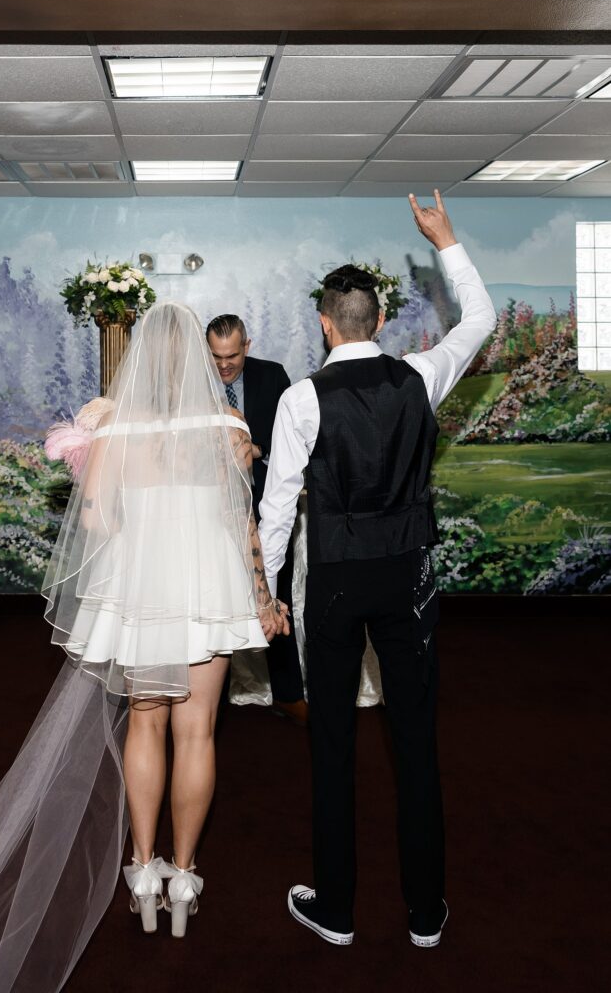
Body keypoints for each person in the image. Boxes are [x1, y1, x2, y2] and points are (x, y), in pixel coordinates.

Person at [0, 302, 288, 992]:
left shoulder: (113, 424)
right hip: (210, 590)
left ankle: (142, 873)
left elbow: (94, 521)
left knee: (145, 727)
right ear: (194, 359)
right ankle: (185, 879)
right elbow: (245, 525)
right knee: (200, 735)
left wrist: (93, 456)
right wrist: (265, 601)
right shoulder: (228, 425)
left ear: (142, 358)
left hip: (142, 589)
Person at [258, 190, 497, 948]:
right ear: (380, 323)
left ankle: (336, 910)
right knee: (415, 739)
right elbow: (483, 322)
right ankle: (425, 916)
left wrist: (264, 595)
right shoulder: (419, 377)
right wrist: (445, 239)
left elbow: (276, 511)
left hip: (332, 583)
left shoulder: (301, 398)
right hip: (408, 579)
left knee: (331, 741)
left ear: (324, 323)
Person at [206, 314, 307, 724]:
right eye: (215, 357)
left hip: (263, 507)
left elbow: (289, 443)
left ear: (247, 345)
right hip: (207, 512)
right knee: (211, 599)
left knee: (274, 598)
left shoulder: (272, 376)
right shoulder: (191, 382)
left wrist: (252, 449)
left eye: (232, 356)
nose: (224, 366)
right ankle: (209, 698)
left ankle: (287, 692)